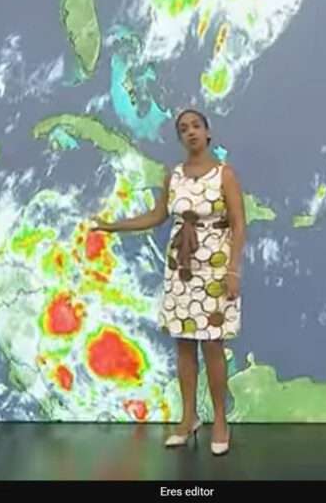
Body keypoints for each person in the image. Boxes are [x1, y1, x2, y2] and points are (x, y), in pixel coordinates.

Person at [92, 108, 245, 456]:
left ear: (207, 132)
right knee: (184, 345)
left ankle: (220, 420)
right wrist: (113, 226)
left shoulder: (225, 175)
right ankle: (188, 418)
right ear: (180, 138)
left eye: (196, 126)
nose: (190, 132)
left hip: (215, 270)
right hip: (180, 269)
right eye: (183, 129)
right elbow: (157, 215)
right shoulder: (173, 176)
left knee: (213, 345)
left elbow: (238, 224)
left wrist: (233, 271)